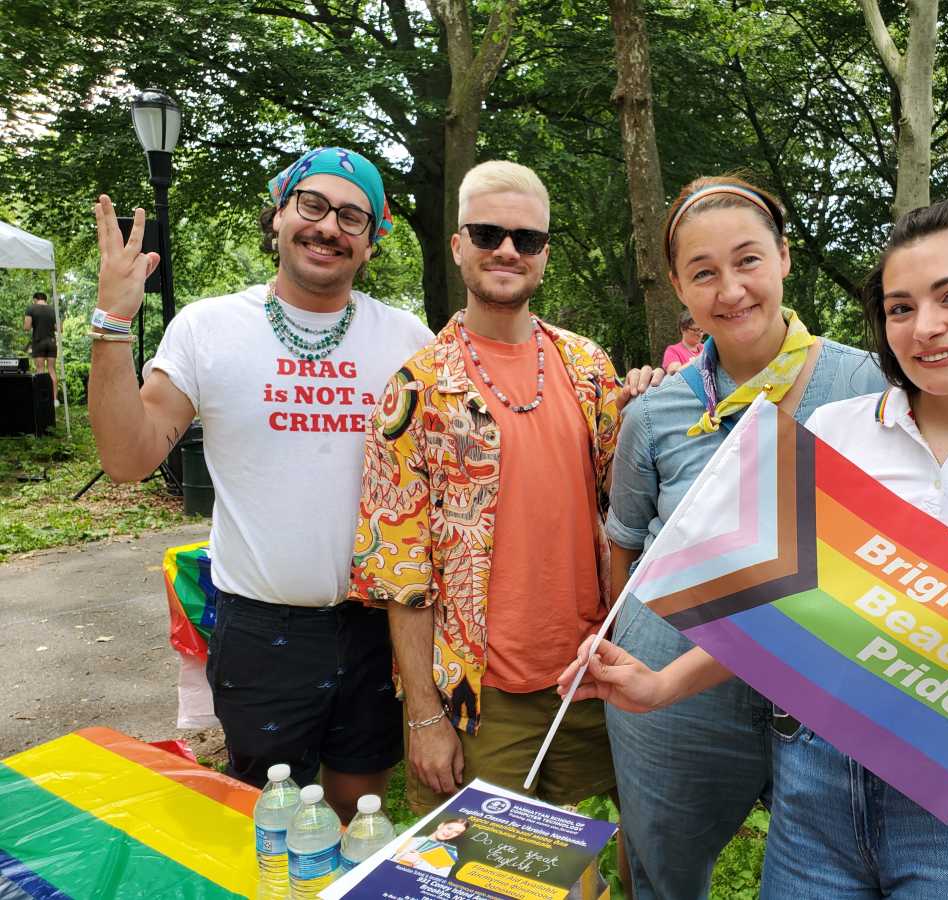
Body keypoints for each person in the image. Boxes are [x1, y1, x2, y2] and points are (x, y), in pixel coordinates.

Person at [561, 195, 948, 898]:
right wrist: (662, 685)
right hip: (815, 783)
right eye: (901, 307)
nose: (926, 327)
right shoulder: (837, 432)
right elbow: (784, 611)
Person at [89, 147, 434, 823]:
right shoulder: (209, 328)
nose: (328, 226)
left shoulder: (407, 340)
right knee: (262, 819)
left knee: (356, 810)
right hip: (259, 626)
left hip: (375, 626)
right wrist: (112, 325)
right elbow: (129, 457)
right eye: (312, 205)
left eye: (351, 216)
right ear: (278, 216)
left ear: (370, 244)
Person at [594, 175, 887, 897]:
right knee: (663, 869)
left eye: (748, 260)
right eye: (703, 272)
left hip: (826, 683)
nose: (730, 290)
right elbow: (625, 550)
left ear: (785, 258)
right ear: (678, 288)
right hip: (673, 690)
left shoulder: (870, 387)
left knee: (830, 874)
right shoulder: (655, 414)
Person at [350, 160, 657, 818]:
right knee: (493, 871)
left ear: (545, 255)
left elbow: (633, 507)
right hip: (481, 693)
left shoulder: (588, 367)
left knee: (628, 850)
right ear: (458, 246)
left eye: (528, 238)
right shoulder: (416, 389)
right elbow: (400, 573)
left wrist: (655, 409)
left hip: (593, 667)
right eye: (488, 233)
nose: (508, 250)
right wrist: (425, 718)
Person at [393, 817, 470, 876]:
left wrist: (417, 862)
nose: (449, 833)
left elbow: (438, 877)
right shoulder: (411, 840)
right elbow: (388, 859)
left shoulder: (449, 852)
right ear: (441, 825)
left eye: (456, 832)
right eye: (449, 828)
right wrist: (403, 857)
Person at [23, 291, 59, 399]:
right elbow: (59, 328)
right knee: (52, 369)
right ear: (45, 299)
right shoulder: (53, 310)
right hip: (52, 342)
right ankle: (54, 400)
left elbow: (27, 327)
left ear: (35, 299)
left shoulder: (31, 308)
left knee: (40, 370)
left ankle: (42, 400)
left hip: (39, 342)